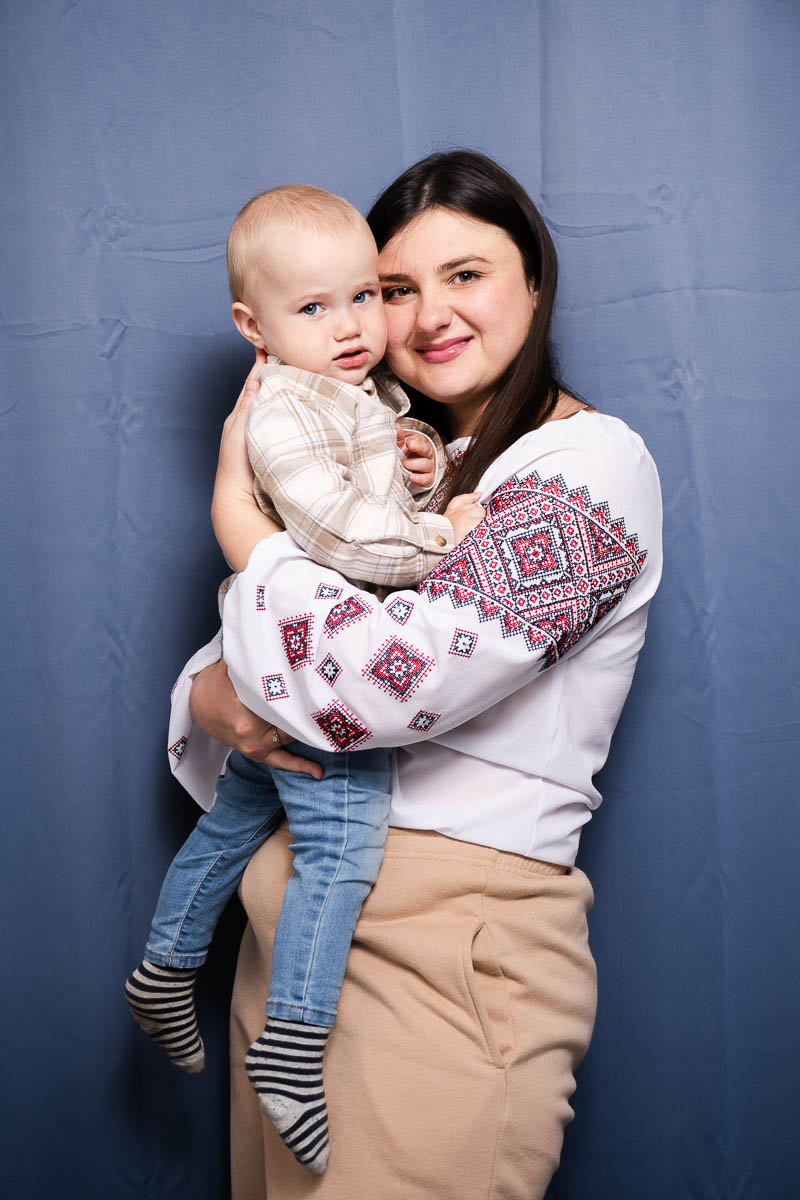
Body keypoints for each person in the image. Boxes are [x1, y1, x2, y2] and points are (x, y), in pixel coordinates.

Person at [172, 150, 663, 1200]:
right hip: (291, 933)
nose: (426, 314)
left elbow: (383, 685)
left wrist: (244, 536)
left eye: (466, 274)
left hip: (447, 952)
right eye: (395, 289)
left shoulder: (586, 470)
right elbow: (237, 678)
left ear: (534, 280)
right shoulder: (386, 463)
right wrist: (207, 697)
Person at [125, 184, 485, 1175]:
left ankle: (164, 968)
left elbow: (360, 474)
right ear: (253, 326)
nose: (352, 327)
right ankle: (292, 1046)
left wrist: (410, 456)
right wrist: (439, 532)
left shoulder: (352, 394)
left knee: (238, 816)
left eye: (364, 298)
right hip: (314, 652)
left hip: (289, 647)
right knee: (338, 845)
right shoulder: (280, 404)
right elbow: (334, 530)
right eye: (314, 309)